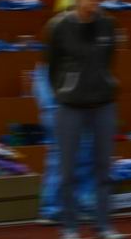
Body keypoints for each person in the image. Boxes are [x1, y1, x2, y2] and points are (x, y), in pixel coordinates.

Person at [45, 0, 126, 239]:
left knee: (104, 166)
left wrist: (106, 83)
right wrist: (65, 90)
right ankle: (69, 227)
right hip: (70, 106)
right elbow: (52, 66)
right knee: (67, 169)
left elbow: (110, 60)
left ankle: (104, 224)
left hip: (104, 104)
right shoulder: (58, 26)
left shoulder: (108, 25)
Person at [33, 63, 96, 226]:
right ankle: (56, 208)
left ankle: (67, 206)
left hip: (67, 104)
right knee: (65, 158)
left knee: (75, 157)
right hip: (64, 105)